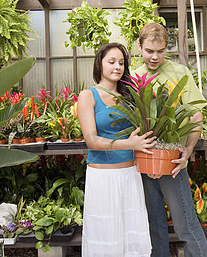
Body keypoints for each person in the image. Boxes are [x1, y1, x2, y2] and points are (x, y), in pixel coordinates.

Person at [133, 23, 207, 257]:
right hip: (144, 162)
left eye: (160, 51)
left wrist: (188, 150)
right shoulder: (134, 76)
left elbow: (196, 114)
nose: (154, 57)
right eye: (149, 51)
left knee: (186, 225)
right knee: (154, 226)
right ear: (139, 47)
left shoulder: (179, 73)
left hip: (172, 163)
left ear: (168, 48)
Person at [77, 42, 156, 257]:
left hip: (130, 175)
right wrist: (128, 144)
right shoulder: (87, 96)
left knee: (132, 239)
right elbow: (91, 140)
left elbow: (144, 134)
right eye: (111, 62)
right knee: (105, 237)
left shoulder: (131, 97)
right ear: (99, 64)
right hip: (102, 178)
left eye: (121, 63)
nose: (117, 67)